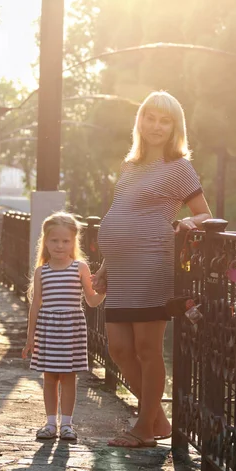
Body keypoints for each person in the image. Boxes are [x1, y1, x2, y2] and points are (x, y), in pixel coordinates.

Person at [92, 90, 212, 448]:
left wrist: (192, 225)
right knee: (118, 349)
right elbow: (121, 215)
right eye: (150, 118)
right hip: (123, 268)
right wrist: (105, 265)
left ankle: (144, 429)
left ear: (175, 127)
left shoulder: (179, 167)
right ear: (140, 120)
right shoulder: (130, 166)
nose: (156, 126)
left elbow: (205, 212)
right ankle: (157, 420)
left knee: (147, 349)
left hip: (151, 266)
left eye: (165, 120)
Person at [22, 212, 105, 441]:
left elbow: (91, 300)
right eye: (54, 240)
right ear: (46, 242)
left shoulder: (80, 268)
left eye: (65, 241)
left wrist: (104, 291)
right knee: (50, 377)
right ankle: (50, 424)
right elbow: (36, 305)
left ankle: (67, 424)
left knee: (69, 377)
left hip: (71, 328)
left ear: (73, 242)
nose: (60, 246)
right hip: (48, 329)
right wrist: (31, 337)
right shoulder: (42, 271)